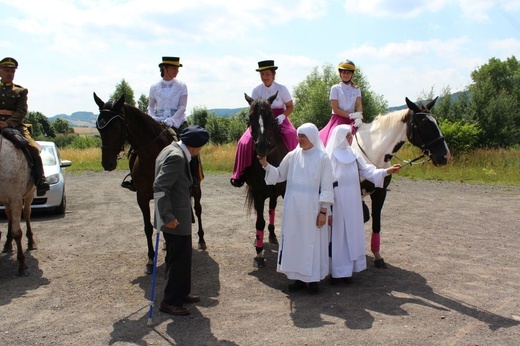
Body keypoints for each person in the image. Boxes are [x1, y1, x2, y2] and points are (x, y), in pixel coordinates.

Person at [258, 123, 334, 294]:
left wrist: (323, 212)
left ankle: (312, 280)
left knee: (311, 243)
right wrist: (265, 164)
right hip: (293, 208)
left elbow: (327, 187)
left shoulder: (323, 158)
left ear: (312, 137)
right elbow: (278, 175)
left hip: (312, 210)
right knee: (295, 241)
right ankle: (298, 278)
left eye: (303, 136)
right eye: (298, 136)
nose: (299, 139)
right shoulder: (292, 155)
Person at [325, 125, 401, 284]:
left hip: (352, 200)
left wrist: (387, 171)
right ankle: (335, 272)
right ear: (340, 137)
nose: (349, 139)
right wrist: (328, 209)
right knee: (337, 237)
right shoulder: (329, 156)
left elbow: (367, 171)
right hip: (337, 200)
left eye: (350, 136)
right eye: (347, 136)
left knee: (350, 235)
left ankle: (347, 272)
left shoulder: (354, 154)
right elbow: (325, 182)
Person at [153, 125, 210, 316]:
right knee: (177, 260)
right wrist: (167, 216)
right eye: (200, 148)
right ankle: (170, 301)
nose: (199, 152)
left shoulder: (169, 149)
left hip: (177, 216)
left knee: (183, 258)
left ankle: (182, 292)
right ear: (194, 147)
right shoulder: (177, 157)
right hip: (174, 219)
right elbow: (160, 186)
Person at [230, 60, 298, 187]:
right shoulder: (256, 90)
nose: (265, 77)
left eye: (267, 74)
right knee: (243, 141)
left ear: (273, 74)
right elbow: (254, 109)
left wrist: (283, 116)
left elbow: (290, 107)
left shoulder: (282, 89)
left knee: (292, 134)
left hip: (279, 117)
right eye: (262, 74)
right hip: (261, 120)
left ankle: (296, 169)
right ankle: (240, 173)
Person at [0, 57, 50, 196]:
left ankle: (40, 180)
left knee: (33, 148)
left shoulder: (21, 91)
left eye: (12, 71)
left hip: (15, 126)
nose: (9, 73)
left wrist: (8, 123)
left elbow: (21, 111)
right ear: (0, 72)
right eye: (6, 70)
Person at [319, 59, 363, 147]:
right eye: (344, 72)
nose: (346, 75)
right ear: (340, 73)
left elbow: (359, 104)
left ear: (352, 74)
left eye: (348, 73)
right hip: (338, 119)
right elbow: (335, 109)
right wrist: (351, 115)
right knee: (332, 139)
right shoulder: (335, 88)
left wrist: (359, 116)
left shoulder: (356, 88)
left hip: (353, 120)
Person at [148, 56, 188, 137]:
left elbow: (182, 107)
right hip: (158, 121)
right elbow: (151, 107)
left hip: (177, 122)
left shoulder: (182, 86)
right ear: (164, 68)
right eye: (174, 68)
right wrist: (153, 117)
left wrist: (172, 120)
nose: (177, 71)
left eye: (177, 69)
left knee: (189, 140)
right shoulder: (154, 87)